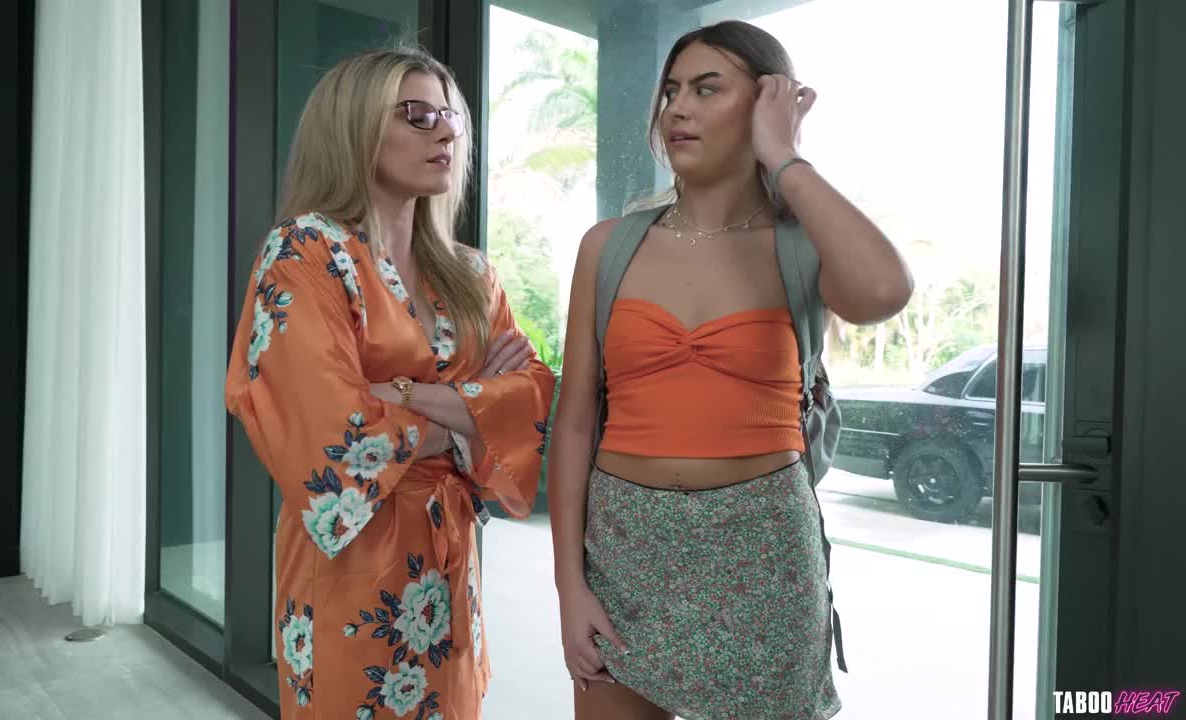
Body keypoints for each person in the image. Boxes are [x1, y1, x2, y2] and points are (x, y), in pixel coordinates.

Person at [548, 21, 913, 720]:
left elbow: (883, 290)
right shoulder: (607, 246)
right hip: (624, 550)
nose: (677, 109)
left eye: (707, 89)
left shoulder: (800, 246)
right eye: (671, 91)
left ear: (766, 102)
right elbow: (573, 425)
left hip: (763, 552)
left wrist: (785, 157)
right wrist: (570, 586)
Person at [224, 47, 557, 719]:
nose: (446, 131)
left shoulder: (471, 274)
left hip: (449, 565)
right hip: (350, 566)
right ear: (354, 125)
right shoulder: (305, 250)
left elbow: (535, 397)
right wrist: (471, 411)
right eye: (416, 114)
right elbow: (328, 431)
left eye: (450, 116)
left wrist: (399, 397)